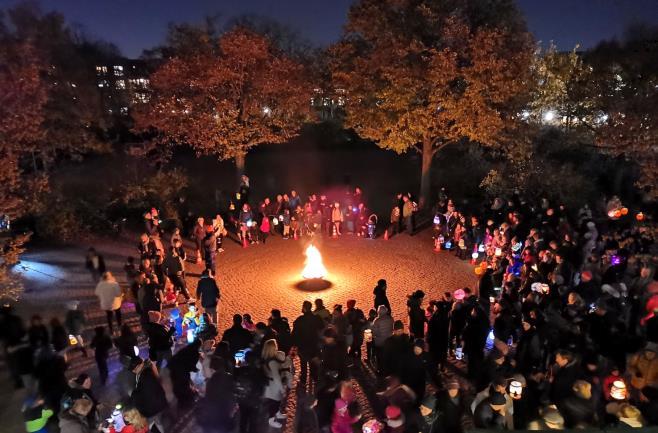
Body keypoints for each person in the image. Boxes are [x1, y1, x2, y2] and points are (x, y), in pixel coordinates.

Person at [130, 356, 170, 432]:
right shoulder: (144, 372)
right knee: (158, 422)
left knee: (156, 422)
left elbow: (149, 393)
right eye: (133, 369)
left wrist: (134, 395)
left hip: (155, 407)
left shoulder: (146, 375)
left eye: (135, 368)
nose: (134, 371)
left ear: (141, 365)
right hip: (157, 405)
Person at [292, 301, 325, 385]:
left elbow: (294, 334)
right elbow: (322, 326)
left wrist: (295, 345)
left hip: (303, 347)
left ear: (305, 308)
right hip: (314, 345)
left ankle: (303, 380)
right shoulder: (316, 318)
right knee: (313, 363)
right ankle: (314, 377)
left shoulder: (300, 320)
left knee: (303, 364)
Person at [262, 339, 289, 428]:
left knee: (275, 402)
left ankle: (278, 413)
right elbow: (276, 378)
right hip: (274, 386)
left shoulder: (266, 358)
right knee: (274, 403)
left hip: (270, 385)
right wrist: (282, 389)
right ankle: (271, 419)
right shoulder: (273, 362)